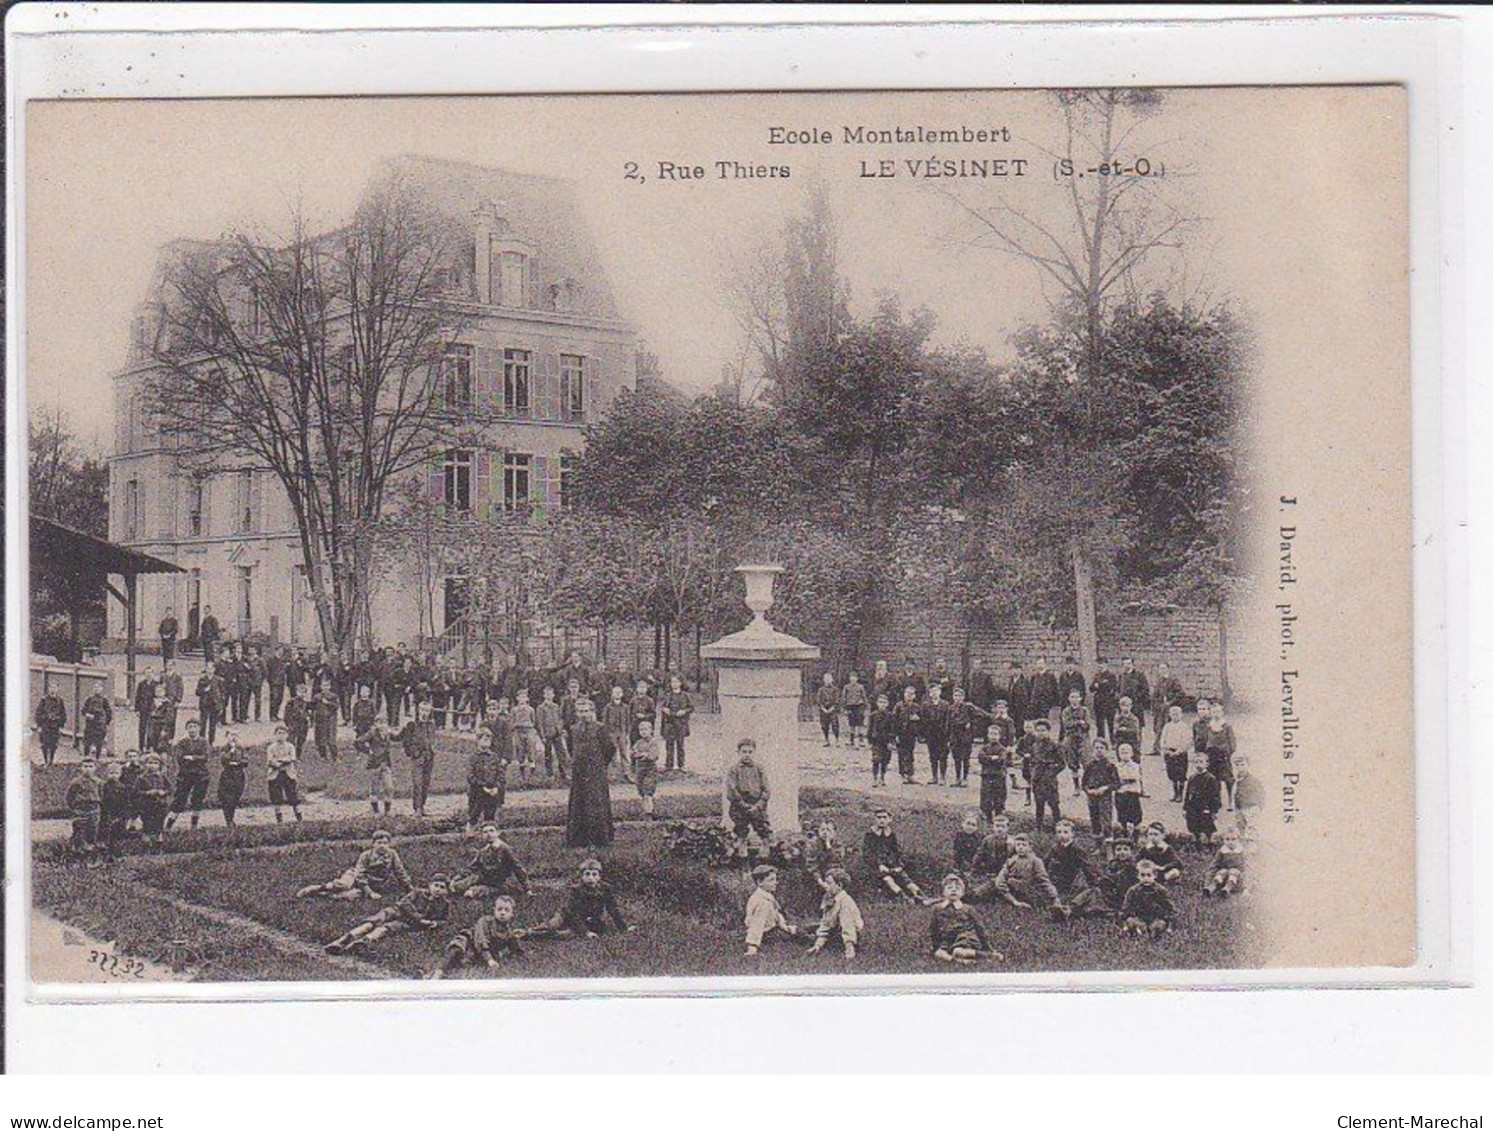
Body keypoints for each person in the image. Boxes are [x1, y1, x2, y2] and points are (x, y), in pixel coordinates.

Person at [324, 876, 452, 954]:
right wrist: (419, 917)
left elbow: (444, 920)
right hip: (396, 911)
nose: (438, 890)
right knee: (372, 923)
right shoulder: (418, 892)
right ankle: (343, 940)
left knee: (385, 929)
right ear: (430, 885)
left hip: (408, 922)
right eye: (436, 885)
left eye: (442, 887)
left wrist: (433, 923)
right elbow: (404, 903)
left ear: (446, 891)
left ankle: (362, 942)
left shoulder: (444, 904)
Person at [298, 830, 414, 901]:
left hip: (373, 882)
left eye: (385, 843)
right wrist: (370, 893)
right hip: (355, 875)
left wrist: (410, 889)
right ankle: (318, 888)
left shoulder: (392, 854)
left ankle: (322, 896)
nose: (382, 846)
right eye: (379, 843)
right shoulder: (366, 855)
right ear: (373, 844)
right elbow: (360, 875)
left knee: (351, 896)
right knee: (344, 885)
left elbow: (400, 872)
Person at [565, 696, 618, 848]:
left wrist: (600, 764)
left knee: (596, 803)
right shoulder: (574, 729)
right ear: (576, 713)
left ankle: (599, 839)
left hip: (595, 772)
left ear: (592, 712)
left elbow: (609, 748)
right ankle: (578, 840)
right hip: (579, 772)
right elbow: (571, 748)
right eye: (580, 711)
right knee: (578, 803)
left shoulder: (600, 728)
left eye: (587, 711)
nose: (584, 714)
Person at [531, 859, 630, 938]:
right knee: (552, 926)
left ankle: (530, 936)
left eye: (594, 874)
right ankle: (530, 931)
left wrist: (623, 928)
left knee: (566, 935)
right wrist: (585, 932)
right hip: (566, 915)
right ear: (582, 876)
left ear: (599, 877)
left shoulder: (605, 889)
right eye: (587, 874)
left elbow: (613, 909)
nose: (591, 878)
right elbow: (573, 914)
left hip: (587, 919)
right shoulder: (576, 890)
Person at [433, 894, 525, 977]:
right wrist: (489, 959)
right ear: (494, 910)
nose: (502, 913)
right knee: (456, 948)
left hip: (480, 954)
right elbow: (481, 940)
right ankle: (439, 971)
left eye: (507, 910)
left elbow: (517, 950)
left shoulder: (509, 931)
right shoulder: (485, 921)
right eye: (499, 909)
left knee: (476, 965)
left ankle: (463, 963)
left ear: (512, 914)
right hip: (471, 942)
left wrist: (521, 961)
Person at [451, 823, 532, 900]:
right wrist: (456, 879)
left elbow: (517, 868)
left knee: (471, 893)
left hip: (499, 883)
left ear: (498, 833)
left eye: (491, 831)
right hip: (484, 879)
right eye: (485, 832)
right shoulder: (483, 850)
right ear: (481, 835)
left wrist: (527, 889)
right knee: (455, 887)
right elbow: (472, 867)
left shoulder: (505, 849)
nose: (489, 834)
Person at [929, 873, 998, 964]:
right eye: (949, 888)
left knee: (958, 951)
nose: (953, 890)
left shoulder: (967, 908)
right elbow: (934, 928)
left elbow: (979, 927)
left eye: (957, 888)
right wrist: (935, 946)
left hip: (965, 938)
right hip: (947, 940)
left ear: (962, 893)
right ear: (943, 892)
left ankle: (987, 955)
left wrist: (988, 947)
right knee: (938, 953)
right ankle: (959, 961)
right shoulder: (937, 908)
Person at [993, 832, 1065, 918]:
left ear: (1030, 847)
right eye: (1018, 845)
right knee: (994, 883)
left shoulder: (1035, 861)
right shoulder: (1011, 860)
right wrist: (1014, 901)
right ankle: (975, 894)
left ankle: (1056, 910)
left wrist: (1055, 898)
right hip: (1010, 890)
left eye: (1024, 845)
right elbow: (1000, 881)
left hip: (1026, 891)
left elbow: (1044, 881)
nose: (1020, 847)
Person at [1046, 819, 1105, 916]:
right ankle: (1055, 904)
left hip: (1069, 880)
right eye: (1059, 832)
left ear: (1072, 834)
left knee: (1081, 893)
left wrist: (1094, 880)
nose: (1062, 835)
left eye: (1065, 832)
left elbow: (1087, 866)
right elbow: (1045, 861)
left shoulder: (1076, 849)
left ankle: (1066, 909)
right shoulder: (1054, 848)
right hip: (1054, 878)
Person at [725, 740, 771, 863]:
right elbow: (731, 791)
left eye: (750, 752)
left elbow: (766, 789)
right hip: (740, 806)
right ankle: (742, 862)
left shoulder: (759, 768)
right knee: (741, 833)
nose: (747, 754)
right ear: (738, 753)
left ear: (754, 752)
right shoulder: (734, 770)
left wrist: (759, 805)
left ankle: (764, 861)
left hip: (758, 806)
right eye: (744, 752)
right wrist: (743, 805)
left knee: (764, 831)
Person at [862, 808, 922, 901]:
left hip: (891, 864)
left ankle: (921, 896)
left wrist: (899, 865)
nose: (882, 820)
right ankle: (904, 898)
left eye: (884, 817)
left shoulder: (891, 835)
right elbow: (867, 854)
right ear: (875, 819)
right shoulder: (869, 836)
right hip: (875, 866)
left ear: (889, 819)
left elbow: (897, 852)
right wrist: (879, 865)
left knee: (904, 878)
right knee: (887, 879)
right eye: (879, 818)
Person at [164, 719, 211, 831]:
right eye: (190, 727)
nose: (192, 729)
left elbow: (205, 757)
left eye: (195, 727)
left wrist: (193, 758)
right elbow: (180, 758)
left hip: (201, 775)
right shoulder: (182, 743)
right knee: (180, 799)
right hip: (185, 775)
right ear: (186, 729)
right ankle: (168, 827)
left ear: (199, 728)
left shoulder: (204, 742)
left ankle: (194, 826)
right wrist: (194, 758)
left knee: (197, 800)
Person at [807, 867, 863, 960]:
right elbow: (826, 923)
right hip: (834, 929)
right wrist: (818, 945)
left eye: (829, 883)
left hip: (849, 933)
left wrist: (849, 949)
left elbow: (848, 925)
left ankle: (848, 946)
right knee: (808, 928)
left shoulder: (845, 901)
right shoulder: (829, 898)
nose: (826, 886)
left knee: (810, 933)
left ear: (839, 885)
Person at [743, 865, 799, 956]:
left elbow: (776, 912)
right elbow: (757, 924)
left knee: (803, 928)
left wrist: (783, 925)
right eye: (771, 880)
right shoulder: (762, 902)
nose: (775, 883)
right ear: (760, 882)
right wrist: (752, 947)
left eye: (775, 879)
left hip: (774, 928)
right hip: (767, 933)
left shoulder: (765, 895)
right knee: (800, 933)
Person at [400, 702, 438, 818]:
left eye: (427, 710)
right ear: (418, 710)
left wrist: (433, 749)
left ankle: (422, 806)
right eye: (422, 710)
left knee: (426, 783)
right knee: (417, 783)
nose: (424, 713)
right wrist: (411, 752)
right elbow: (405, 740)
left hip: (429, 757)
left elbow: (433, 739)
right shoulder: (412, 725)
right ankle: (417, 808)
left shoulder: (432, 725)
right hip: (417, 757)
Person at [966, 814, 1014, 903]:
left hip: (1007, 874)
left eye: (1003, 826)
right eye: (997, 826)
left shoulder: (1013, 843)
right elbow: (979, 856)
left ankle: (975, 895)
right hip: (990, 872)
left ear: (1007, 828)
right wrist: (973, 871)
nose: (1000, 829)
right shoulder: (988, 840)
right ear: (993, 827)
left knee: (985, 889)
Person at [1121, 859, 1175, 937]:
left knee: (1159, 926)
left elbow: (1170, 909)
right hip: (1139, 917)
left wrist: (1169, 926)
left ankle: (1154, 933)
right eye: (1142, 875)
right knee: (1132, 922)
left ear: (1155, 875)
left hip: (1155, 917)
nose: (1146, 878)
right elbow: (1125, 909)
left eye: (1149, 875)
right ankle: (1140, 932)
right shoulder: (1133, 890)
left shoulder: (1160, 890)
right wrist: (1125, 925)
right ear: (1137, 876)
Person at [947, 686, 988, 788]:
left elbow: (982, 715)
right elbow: (947, 723)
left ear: (963, 697)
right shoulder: (950, 708)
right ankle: (957, 778)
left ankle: (965, 778)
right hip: (954, 736)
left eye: (959, 696)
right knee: (956, 758)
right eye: (955, 696)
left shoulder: (968, 707)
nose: (957, 698)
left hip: (965, 736)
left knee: (965, 758)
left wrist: (971, 724)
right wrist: (948, 737)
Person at [1028, 720, 1065, 832]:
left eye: (1043, 730)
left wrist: (1050, 774)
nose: (1040, 733)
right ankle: (1038, 828)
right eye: (1038, 731)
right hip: (1037, 779)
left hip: (1049, 779)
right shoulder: (1035, 745)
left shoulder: (1055, 745)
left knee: (1054, 804)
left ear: (1048, 731)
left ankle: (1059, 827)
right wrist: (1033, 772)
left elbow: (1061, 764)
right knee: (1039, 805)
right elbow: (1032, 761)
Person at [466, 730, 507, 829]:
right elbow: (470, 776)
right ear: (478, 740)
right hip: (477, 791)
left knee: (490, 817)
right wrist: (482, 786)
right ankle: (470, 833)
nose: (487, 741)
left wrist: (497, 787)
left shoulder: (494, 757)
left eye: (489, 739)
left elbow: (501, 774)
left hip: (492, 791)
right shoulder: (473, 757)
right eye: (484, 739)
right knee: (473, 815)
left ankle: (489, 835)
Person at [1182, 751, 1223, 848]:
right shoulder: (1192, 778)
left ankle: (1208, 846)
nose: (1198, 765)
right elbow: (1188, 794)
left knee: (1206, 828)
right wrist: (1185, 808)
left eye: (1201, 762)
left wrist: (1213, 810)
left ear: (1207, 764)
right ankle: (1197, 846)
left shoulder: (1211, 779)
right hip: (1193, 807)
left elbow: (1215, 796)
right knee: (1193, 826)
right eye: (1196, 762)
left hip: (1205, 807)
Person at [1201, 702, 1238, 809]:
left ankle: (1231, 801)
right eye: (1214, 712)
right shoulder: (1209, 726)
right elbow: (1206, 740)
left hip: (1223, 756)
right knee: (1214, 780)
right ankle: (1216, 801)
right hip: (1212, 756)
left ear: (1221, 713)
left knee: (1228, 779)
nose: (1216, 714)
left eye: (1218, 711)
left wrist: (1228, 753)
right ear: (1211, 713)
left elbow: (1232, 743)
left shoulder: (1226, 726)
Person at [1081, 738, 1120, 838]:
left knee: (1106, 822)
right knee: (1095, 820)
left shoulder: (1110, 766)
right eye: (1097, 748)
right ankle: (1097, 845)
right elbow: (1084, 782)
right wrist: (1089, 790)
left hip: (1105, 798)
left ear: (1106, 750)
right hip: (1092, 797)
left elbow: (1116, 783)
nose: (1099, 750)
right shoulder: (1090, 766)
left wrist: (1105, 788)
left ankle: (1108, 846)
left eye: (1102, 748)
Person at [65, 757, 103, 862]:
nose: (88, 769)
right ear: (80, 768)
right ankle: (76, 851)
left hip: (94, 809)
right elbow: (69, 796)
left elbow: (101, 795)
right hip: (80, 809)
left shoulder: (98, 782)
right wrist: (74, 807)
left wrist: (98, 805)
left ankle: (90, 853)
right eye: (85, 766)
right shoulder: (76, 782)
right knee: (79, 830)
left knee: (92, 830)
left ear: (95, 768)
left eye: (91, 766)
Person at [133, 752, 171, 852]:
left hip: (160, 805)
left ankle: (159, 848)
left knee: (159, 826)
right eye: (150, 763)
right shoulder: (141, 778)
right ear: (145, 764)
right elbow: (136, 792)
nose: (152, 765)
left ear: (159, 765)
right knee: (147, 827)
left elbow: (170, 789)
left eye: (155, 763)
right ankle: (146, 847)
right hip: (146, 805)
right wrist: (147, 793)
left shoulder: (162, 777)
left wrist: (164, 792)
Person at [265, 723, 304, 823]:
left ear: (287, 735)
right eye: (279, 733)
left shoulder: (290, 746)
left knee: (293, 794)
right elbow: (270, 760)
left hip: (288, 773)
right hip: (275, 773)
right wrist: (278, 762)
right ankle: (279, 816)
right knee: (276, 795)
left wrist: (280, 760)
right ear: (275, 735)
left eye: (283, 733)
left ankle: (298, 815)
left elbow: (292, 758)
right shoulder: (271, 747)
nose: (281, 736)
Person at [1158, 704, 1195, 803]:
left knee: (1181, 774)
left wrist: (1179, 751)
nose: (1175, 716)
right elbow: (1163, 739)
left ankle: (1180, 794)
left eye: (1177, 714)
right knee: (1172, 774)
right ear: (1170, 715)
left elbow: (1187, 740)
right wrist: (1166, 749)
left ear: (1181, 715)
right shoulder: (1167, 726)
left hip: (1180, 753)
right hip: (1169, 752)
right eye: (1173, 714)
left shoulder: (1184, 726)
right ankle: (1175, 793)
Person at [1059, 688, 1091, 796]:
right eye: (1072, 697)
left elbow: (1087, 725)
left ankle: (1085, 784)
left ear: (1080, 698)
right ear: (1068, 699)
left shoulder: (1085, 710)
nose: (1074, 699)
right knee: (1072, 762)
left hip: (1083, 737)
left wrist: (1080, 724)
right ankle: (1076, 786)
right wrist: (1079, 722)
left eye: (1076, 697)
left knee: (1086, 760)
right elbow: (1066, 725)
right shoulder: (1066, 711)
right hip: (1071, 737)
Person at [360, 721, 395, 817]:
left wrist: (405, 730)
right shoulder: (372, 733)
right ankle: (375, 811)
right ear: (375, 724)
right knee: (375, 788)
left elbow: (397, 738)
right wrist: (368, 751)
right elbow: (358, 742)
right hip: (375, 764)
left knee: (389, 787)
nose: (382, 725)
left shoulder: (388, 733)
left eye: (384, 722)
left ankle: (387, 810)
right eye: (379, 723)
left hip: (385, 764)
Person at [976, 724, 1010, 822]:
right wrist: (991, 758)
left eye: (995, 734)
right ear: (987, 735)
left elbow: (1000, 760)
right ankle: (988, 818)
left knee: (998, 798)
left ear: (1000, 736)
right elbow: (981, 758)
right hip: (986, 776)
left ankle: (998, 818)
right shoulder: (984, 748)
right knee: (986, 797)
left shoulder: (1002, 749)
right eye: (991, 734)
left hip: (998, 776)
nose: (993, 736)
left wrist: (990, 759)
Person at [630, 719, 662, 820]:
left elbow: (653, 755)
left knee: (648, 790)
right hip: (640, 769)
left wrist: (644, 755)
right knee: (640, 789)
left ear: (651, 730)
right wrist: (635, 754)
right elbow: (632, 753)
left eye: (645, 729)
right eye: (641, 730)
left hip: (650, 769)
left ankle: (649, 813)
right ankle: (645, 809)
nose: (643, 732)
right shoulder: (638, 742)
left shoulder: (653, 742)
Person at [891, 684, 923, 786]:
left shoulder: (917, 707)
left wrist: (917, 720)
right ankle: (903, 774)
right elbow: (893, 721)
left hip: (911, 734)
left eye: (912, 694)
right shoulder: (898, 706)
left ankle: (910, 774)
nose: (909, 696)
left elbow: (922, 720)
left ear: (914, 696)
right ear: (904, 694)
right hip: (901, 733)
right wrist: (894, 735)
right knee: (901, 754)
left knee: (910, 754)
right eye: (907, 693)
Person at [99, 760, 131, 858]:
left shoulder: (123, 787)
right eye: (111, 773)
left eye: (116, 773)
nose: (113, 775)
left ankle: (117, 854)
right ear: (107, 774)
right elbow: (101, 800)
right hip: (107, 813)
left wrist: (125, 816)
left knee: (117, 835)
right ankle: (107, 854)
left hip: (119, 813)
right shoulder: (104, 786)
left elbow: (126, 802)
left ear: (120, 774)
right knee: (106, 834)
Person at [511, 689, 543, 786]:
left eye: (524, 697)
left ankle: (531, 778)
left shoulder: (531, 710)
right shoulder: (514, 710)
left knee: (531, 751)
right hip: (518, 731)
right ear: (517, 699)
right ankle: (522, 778)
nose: (522, 699)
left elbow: (534, 721)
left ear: (527, 699)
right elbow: (512, 721)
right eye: (520, 697)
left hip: (529, 730)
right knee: (520, 752)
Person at [536, 685, 568, 781]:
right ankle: (550, 774)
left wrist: (560, 728)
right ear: (544, 696)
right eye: (547, 694)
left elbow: (559, 718)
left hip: (556, 733)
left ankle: (563, 772)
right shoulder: (541, 708)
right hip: (547, 734)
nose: (549, 696)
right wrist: (542, 736)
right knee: (548, 754)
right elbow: (539, 723)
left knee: (561, 753)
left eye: (550, 694)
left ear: (553, 695)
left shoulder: (556, 706)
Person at [921, 682, 951, 786]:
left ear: (940, 692)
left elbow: (948, 720)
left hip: (942, 734)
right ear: (929, 694)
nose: (934, 693)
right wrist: (924, 733)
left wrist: (947, 733)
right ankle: (934, 776)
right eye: (932, 691)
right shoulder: (925, 705)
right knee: (932, 755)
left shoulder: (945, 704)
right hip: (931, 734)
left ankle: (942, 776)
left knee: (943, 756)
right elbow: (923, 720)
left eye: (936, 691)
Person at [217, 732, 249, 828]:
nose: (233, 738)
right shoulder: (224, 748)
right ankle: (228, 820)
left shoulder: (241, 748)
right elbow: (223, 760)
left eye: (235, 735)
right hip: (228, 774)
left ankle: (231, 819)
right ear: (227, 737)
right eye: (231, 735)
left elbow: (246, 761)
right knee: (227, 798)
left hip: (239, 775)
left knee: (236, 796)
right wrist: (231, 751)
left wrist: (238, 762)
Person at [1204, 828, 1248, 897]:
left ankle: (1227, 889)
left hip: (1236, 879)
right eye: (1227, 839)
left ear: (1238, 840)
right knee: (1223, 871)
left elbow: (1246, 868)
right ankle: (1211, 887)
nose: (1230, 842)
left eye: (1233, 839)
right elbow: (1214, 865)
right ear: (1223, 840)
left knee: (1233, 871)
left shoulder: (1241, 852)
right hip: (1224, 877)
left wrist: (1245, 887)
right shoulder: (1222, 851)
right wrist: (1207, 881)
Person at [601, 685, 631, 784]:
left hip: (622, 732)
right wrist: (607, 734)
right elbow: (604, 722)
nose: (617, 694)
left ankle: (627, 773)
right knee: (612, 755)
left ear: (622, 694)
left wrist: (626, 732)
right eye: (615, 692)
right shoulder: (608, 707)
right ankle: (612, 774)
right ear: (612, 694)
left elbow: (628, 720)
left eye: (619, 692)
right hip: (612, 733)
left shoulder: (625, 707)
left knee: (624, 753)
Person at [1114, 743, 1145, 833]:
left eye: (1126, 752)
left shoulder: (1135, 766)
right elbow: (1115, 779)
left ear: (1131, 754)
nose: (1124, 755)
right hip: (1120, 794)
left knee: (1135, 816)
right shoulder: (1116, 766)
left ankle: (1135, 836)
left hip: (1132, 794)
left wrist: (1122, 780)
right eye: (1122, 753)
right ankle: (1124, 833)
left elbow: (1134, 777)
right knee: (1122, 816)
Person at [1117, 658, 1150, 735]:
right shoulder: (1121, 676)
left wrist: (1136, 698)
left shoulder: (1139, 675)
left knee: (1137, 727)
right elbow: (1118, 689)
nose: (1127, 666)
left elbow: (1145, 689)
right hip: (1124, 707)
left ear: (1132, 665)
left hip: (1136, 706)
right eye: (1125, 664)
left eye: (1128, 663)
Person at [34, 688, 67, 767]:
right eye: (51, 688)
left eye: (55, 688)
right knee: (45, 744)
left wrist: (61, 725)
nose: (53, 690)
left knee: (54, 744)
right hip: (46, 725)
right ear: (49, 689)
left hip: (55, 726)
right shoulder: (44, 700)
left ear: (57, 689)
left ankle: (51, 761)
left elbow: (63, 713)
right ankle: (45, 761)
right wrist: (39, 725)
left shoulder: (60, 700)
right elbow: (38, 713)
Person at [867, 692, 894, 787]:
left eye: (884, 702)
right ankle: (874, 778)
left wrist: (891, 742)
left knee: (885, 760)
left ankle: (882, 777)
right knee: (876, 759)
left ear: (887, 704)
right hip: (876, 740)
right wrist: (869, 741)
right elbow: (869, 729)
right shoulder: (873, 715)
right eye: (880, 702)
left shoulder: (890, 716)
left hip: (886, 741)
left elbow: (892, 729)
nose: (882, 704)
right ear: (877, 703)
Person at [1232, 756, 1264, 836]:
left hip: (1251, 809)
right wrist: (1236, 810)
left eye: (1242, 764)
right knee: (1240, 831)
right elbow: (1234, 795)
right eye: (1237, 765)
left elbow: (1260, 795)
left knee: (1251, 831)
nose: (1240, 767)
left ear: (1248, 765)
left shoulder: (1254, 781)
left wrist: (1257, 809)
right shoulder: (1237, 781)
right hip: (1240, 810)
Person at [1089, 661, 1119, 742]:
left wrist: (1099, 685)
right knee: (1099, 723)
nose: (1100, 666)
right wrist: (1096, 685)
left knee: (1110, 723)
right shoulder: (1096, 675)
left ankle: (1113, 741)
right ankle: (1101, 740)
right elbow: (1091, 688)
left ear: (1106, 665)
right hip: (1098, 702)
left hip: (1109, 702)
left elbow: (1113, 687)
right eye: (1099, 664)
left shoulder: (1111, 675)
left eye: (1102, 664)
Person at [80, 688, 112, 759]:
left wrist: (106, 723)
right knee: (87, 742)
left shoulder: (104, 700)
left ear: (101, 689)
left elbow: (108, 712)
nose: (97, 690)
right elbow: (83, 710)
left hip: (100, 725)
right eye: (95, 688)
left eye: (98, 688)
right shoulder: (89, 699)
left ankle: (98, 758)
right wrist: (87, 715)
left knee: (99, 743)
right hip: (90, 725)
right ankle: (86, 758)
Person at [312, 684, 340, 762]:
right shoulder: (317, 697)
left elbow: (336, 706)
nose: (325, 687)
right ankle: (323, 756)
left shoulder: (333, 696)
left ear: (330, 686)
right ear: (321, 687)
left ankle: (335, 756)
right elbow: (313, 708)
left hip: (331, 719)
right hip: (320, 720)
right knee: (322, 738)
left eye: (327, 685)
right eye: (324, 686)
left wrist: (327, 703)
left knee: (331, 738)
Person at [841, 671, 868, 748]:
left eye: (854, 677)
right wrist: (844, 708)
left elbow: (864, 696)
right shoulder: (846, 687)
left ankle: (861, 740)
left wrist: (866, 707)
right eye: (851, 677)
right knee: (851, 724)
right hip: (850, 706)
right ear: (849, 678)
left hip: (859, 706)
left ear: (857, 678)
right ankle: (851, 740)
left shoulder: (860, 687)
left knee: (860, 724)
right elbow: (844, 697)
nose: (853, 679)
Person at [816, 672, 841, 748]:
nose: (827, 681)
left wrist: (832, 708)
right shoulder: (821, 690)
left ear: (832, 680)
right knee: (824, 726)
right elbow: (819, 700)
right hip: (823, 710)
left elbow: (837, 700)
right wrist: (823, 708)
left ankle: (837, 740)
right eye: (826, 679)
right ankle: (826, 740)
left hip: (833, 709)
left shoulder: (835, 689)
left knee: (835, 725)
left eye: (829, 679)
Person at [953, 811, 983, 875]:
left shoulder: (978, 838)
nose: (970, 827)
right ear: (962, 824)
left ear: (976, 828)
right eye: (968, 823)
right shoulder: (958, 835)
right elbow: (955, 850)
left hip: (972, 861)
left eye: (973, 825)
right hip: (959, 860)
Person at [628, 679, 655, 744]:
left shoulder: (650, 700)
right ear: (637, 689)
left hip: (646, 727)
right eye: (640, 687)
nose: (642, 689)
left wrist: (645, 716)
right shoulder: (633, 700)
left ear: (646, 689)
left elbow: (654, 714)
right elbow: (629, 713)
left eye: (643, 687)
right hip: (635, 726)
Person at [266, 646, 287, 721]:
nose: (281, 652)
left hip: (281, 682)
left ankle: (276, 714)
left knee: (280, 699)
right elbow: (268, 672)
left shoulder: (282, 660)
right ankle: (272, 715)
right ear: (276, 650)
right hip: (274, 683)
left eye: (282, 650)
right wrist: (271, 681)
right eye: (280, 650)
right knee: (274, 699)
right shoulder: (271, 660)